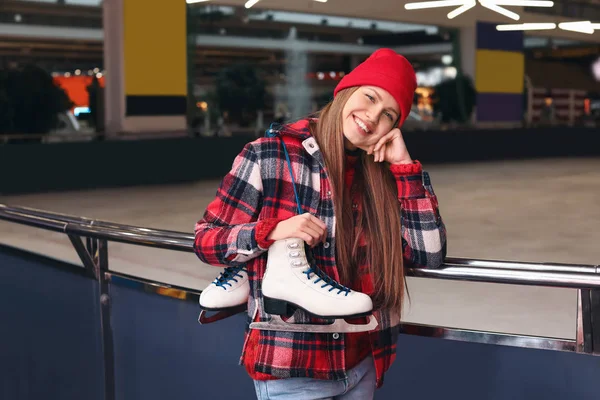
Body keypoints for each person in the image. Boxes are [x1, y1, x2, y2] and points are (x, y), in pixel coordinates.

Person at [194, 48, 447, 399]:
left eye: (389, 114)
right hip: (293, 367)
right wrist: (271, 230)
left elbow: (428, 254)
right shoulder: (271, 153)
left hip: (363, 364)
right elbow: (207, 240)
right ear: (345, 90)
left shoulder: (383, 173)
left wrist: (405, 169)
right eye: (369, 97)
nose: (372, 118)